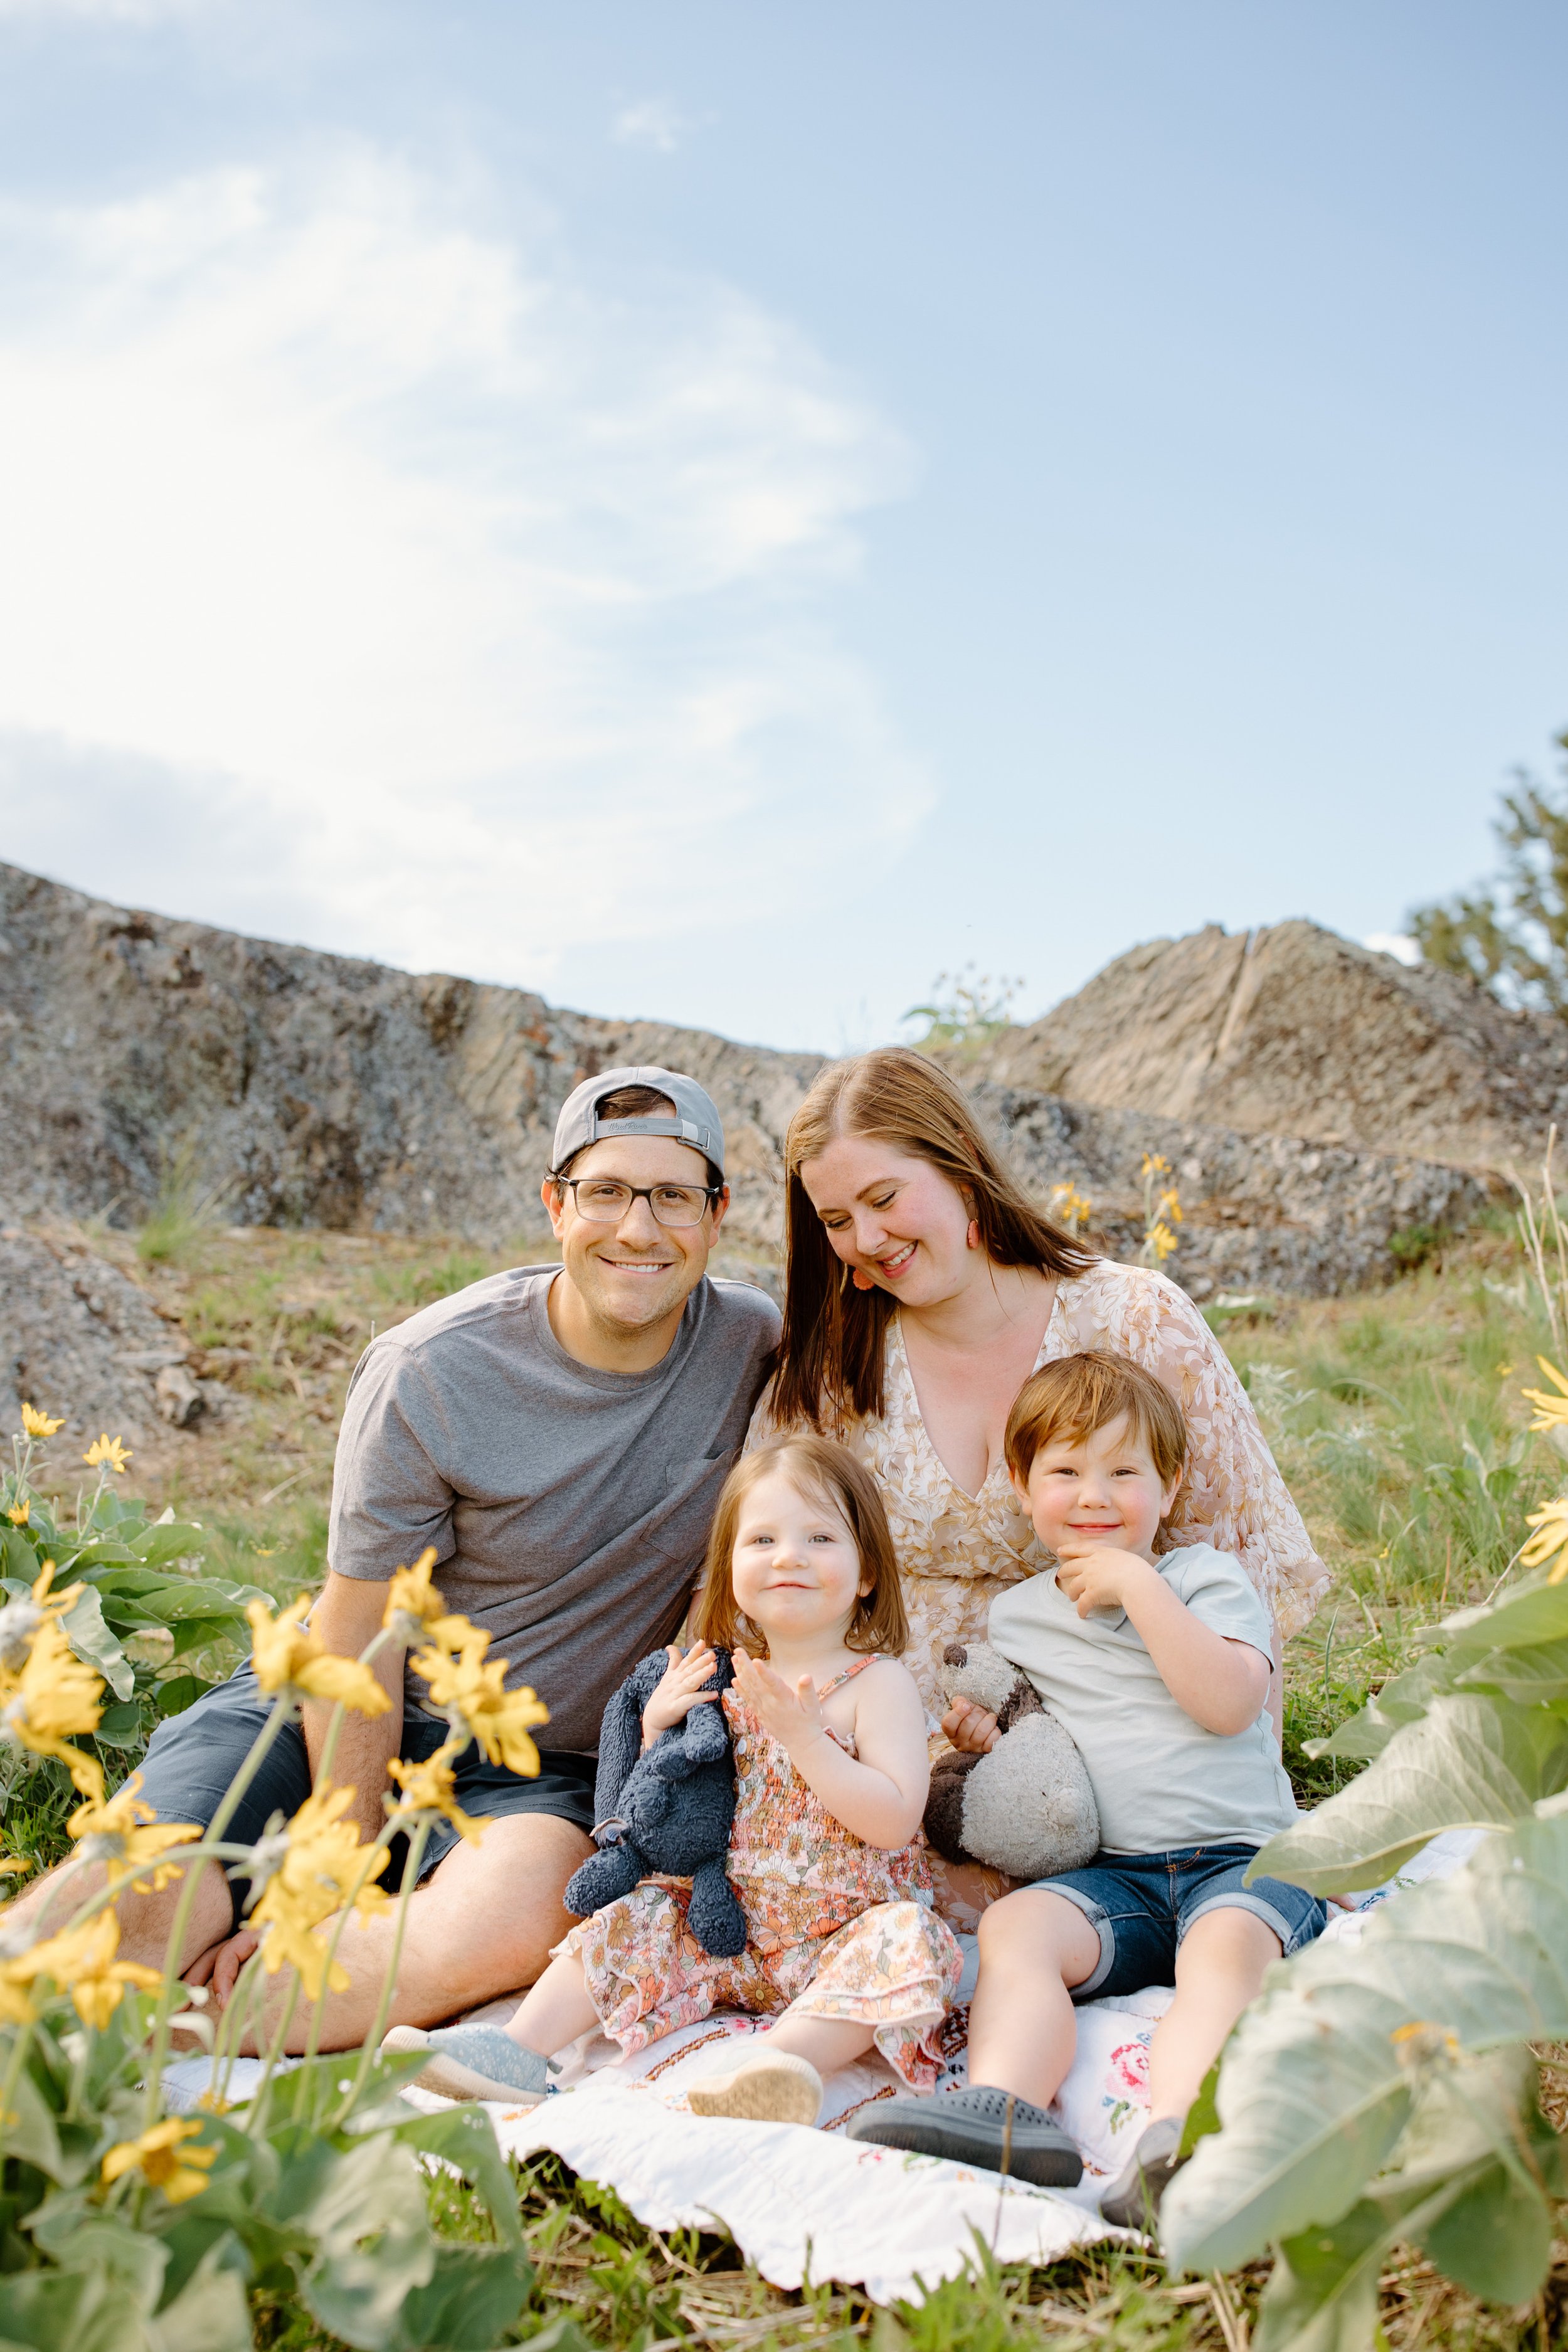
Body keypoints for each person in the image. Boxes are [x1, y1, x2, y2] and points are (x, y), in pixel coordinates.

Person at [9, 1067, 780, 2052]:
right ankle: (104, 1985)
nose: (640, 1228)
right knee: (139, 1906)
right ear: (555, 1204)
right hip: (323, 1708)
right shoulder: (433, 1369)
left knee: (528, 1907)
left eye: (674, 1195)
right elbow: (356, 1634)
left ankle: (187, 2028)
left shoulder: (750, 1341)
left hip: (539, 1765)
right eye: (607, 1192)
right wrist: (335, 1861)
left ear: (717, 1216)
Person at [762, 1048, 1326, 1921]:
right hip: (896, 1754)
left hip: (1125, 1750)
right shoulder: (836, 1365)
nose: (867, 1239)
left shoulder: (1133, 1318)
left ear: (958, 1156)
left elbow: (1236, 1570)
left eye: (884, 1197)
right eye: (836, 1218)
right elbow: (767, 1557)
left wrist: (1221, 1807)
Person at [847, 1352, 1325, 2222]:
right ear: (1027, 1488)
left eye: (1123, 1471)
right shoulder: (1020, 1616)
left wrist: (1141, 1586)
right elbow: (1044, 1743)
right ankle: (1005, 2106)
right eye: (1065, 1471)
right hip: (1121, 1874)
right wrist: (985, 1742)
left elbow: (1228, 1703)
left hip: (1246, 1858)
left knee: (1222, 1956)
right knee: (1018, 1925)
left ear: (1169, 1487)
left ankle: (1177, 2140)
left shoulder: (1204, 1580)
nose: (1095, 1495)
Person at [386, 1434, 963, 2122]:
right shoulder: (715, 1672)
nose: (788, 1557)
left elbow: (895, 1819)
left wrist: (807, 1738)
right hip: (719, 1922)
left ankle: (780, 2065)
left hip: (840, 1932)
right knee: (635, 1917)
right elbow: (655, 1800)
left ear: (866, 1572)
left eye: (819, 1538)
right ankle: (518, 2050)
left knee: (913, 1942)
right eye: (762, 1541)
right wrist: (659, 1727)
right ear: (728, 1571)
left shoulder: (877, 1685)